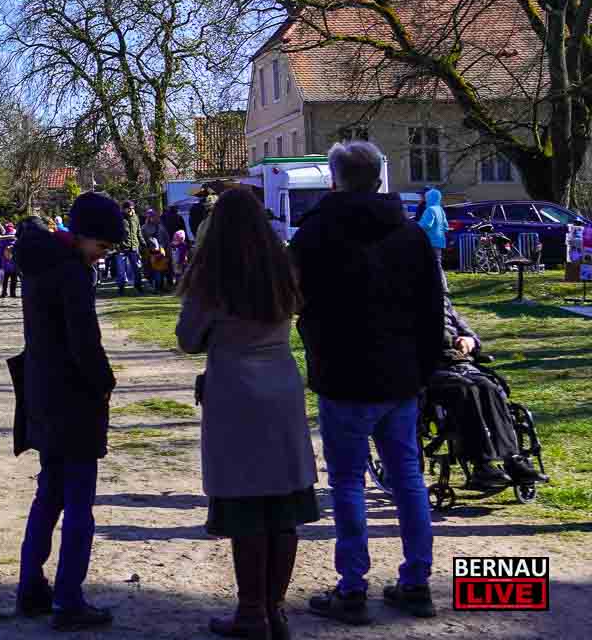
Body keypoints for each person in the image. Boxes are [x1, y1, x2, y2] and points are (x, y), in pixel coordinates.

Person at [293, 141, 445, 623]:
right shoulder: (410, 234)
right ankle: (416, 580)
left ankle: (352, 587)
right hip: (400, 374)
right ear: (380, 176)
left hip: (342, 373)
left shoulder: (315, 233)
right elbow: (431, 309)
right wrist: (426, 368)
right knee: (407, 478)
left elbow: (297, 300)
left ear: (334, 180)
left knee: (347, 482)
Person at [176, 188, 316, 640]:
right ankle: (275, 609)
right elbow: (298, 308)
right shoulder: (283, 267)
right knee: (283, 503)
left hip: (234, 390)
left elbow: (189, 338)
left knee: (246, 504)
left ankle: (252, 610)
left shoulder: (211, 277)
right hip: (280, 385)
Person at [14, 193, 121, 631]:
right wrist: (104, 382)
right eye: (103, 247)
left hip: (43, 392)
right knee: (79, 503)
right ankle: (69, 598)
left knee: (49, 495)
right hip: (74, 398)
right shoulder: (72, 273)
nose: (103, 256)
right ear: (85, 236)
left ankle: (31, 587)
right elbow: (84, 343)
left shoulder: (40, 263)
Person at [433, 289, 546, 490]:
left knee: (489, 387)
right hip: (428, 370)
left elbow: (473, 337)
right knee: (466, 390)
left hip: (461, 365)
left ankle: (512, 458)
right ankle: (482, 465)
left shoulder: (445, 305)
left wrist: (470, 341)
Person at [418, 187, 448, 281]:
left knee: (430, 265)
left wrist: (414, 226)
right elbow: (446, 227)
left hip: (429, 241)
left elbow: (426, 225)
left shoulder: (430, 210)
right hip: (439, 241)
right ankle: (441, 286)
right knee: (437, 264)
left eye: (426, 197)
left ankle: (440, 287)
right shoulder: (440, 209)